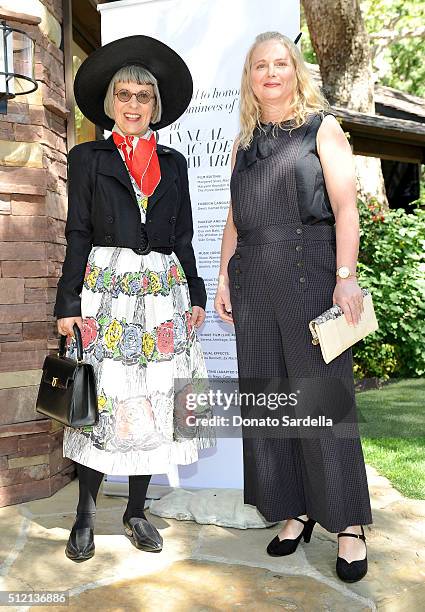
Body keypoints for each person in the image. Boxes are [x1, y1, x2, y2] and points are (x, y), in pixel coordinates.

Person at [214, 31, 372, 583]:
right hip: (252, 275)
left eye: (281, 63)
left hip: (309, 270)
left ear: (295, 71)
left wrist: (345, 278)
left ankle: (348, 524)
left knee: (323, 400)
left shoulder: (321, 128)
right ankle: (293, 510)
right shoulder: (244, 142)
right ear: (251, 78)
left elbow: (346, 207)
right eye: (262, 65)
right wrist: (223, 276)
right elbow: (235, 217)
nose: (272, 73)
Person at [54, 35, 214, 562]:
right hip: (107, 291)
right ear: (110, 103)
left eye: (143, 97)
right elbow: (77, 232)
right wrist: (67, 305)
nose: (133, 105)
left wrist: (195, 292)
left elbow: (185, 236)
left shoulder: (175, 162)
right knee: (103, 401)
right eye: (124, 95)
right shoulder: (87, 157)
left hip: (162, 293)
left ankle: (137, 511)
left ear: (155, 106)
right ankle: (84, 514)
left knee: (156, 398)